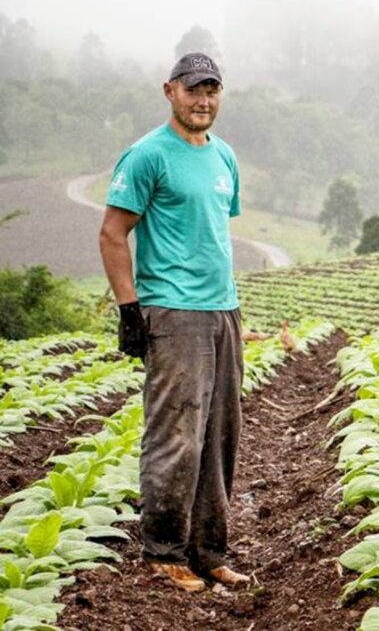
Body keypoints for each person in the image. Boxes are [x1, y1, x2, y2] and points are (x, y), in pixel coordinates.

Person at [98, 52, 250, 592]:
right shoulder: (146, 155)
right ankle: (164, 552)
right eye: (193, 90)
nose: (203, 100)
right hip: (173, 312)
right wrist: (129, 309)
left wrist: (230, 307)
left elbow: (213, 232)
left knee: (219, 435)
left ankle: (210, 552)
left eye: (212, 90)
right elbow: (113, 233)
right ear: (170, 91)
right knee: (176, 434)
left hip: (222, 311)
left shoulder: (224, 157)